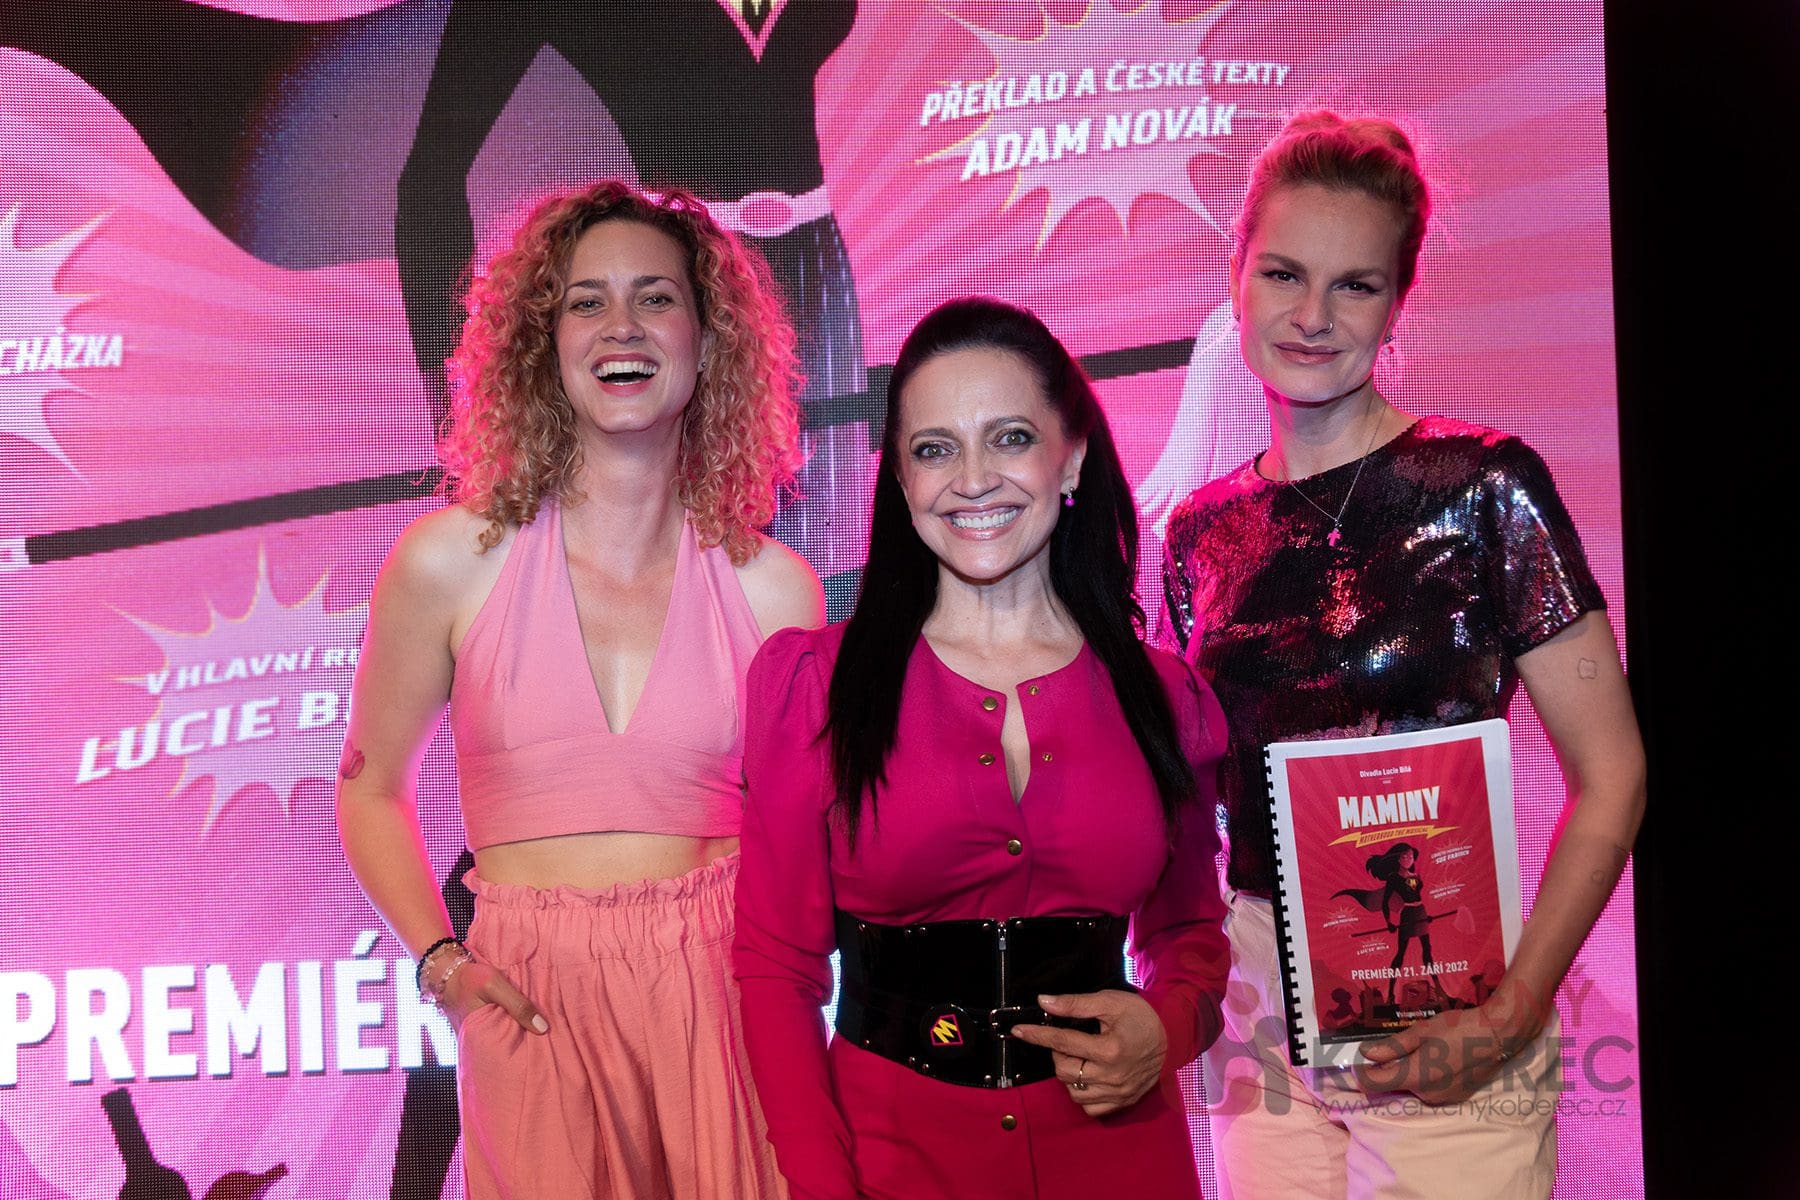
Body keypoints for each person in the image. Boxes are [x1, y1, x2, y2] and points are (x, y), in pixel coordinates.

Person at [1161, 112, 1647, 1199]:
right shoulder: (1198, 532)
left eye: (1355, 285)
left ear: (1398, 301)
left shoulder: (1486, 486)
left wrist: (1513, 1012)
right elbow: (1193, 799)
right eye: (1284, 274)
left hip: (1447, 994)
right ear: (1235, 278)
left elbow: (1614, 776)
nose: (1313, 316)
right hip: (1259, 1003)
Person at [336, 181, 823, 1199]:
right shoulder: (448, 563)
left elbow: (806, 837)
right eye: (585, 301)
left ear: (707, 342)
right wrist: (441, 965)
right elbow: (369, 789)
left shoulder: (777, 590)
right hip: (531, 1002)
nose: (621, 326)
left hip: (725, 993)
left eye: (656, 297)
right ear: (543, 343)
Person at [734, 296, 1230, 1200]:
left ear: (1070, 456)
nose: (973, 479)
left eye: (1010, 439)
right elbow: (777, 969)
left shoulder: (1165, 698)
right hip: (892, 1168)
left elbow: (1189, 933)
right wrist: (820, 1187)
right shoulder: (815, 687)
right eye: (935, 449)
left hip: (1124, 1163)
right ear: (899, 480)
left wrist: (1167, 1028)